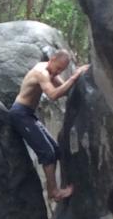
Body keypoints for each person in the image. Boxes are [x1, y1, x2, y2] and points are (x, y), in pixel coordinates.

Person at [9, 47, 89, 201]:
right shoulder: (42, 72)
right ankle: (53, 192)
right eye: (58, 68)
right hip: (20, 114)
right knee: (47, 153)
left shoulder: (51, 71)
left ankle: (61, 185)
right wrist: (74, 77)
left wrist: (80, 76)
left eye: (61, 70)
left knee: (56, 150)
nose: (57, 72)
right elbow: (53, 95)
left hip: (29, 115)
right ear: (51, 59)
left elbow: (63, 89)